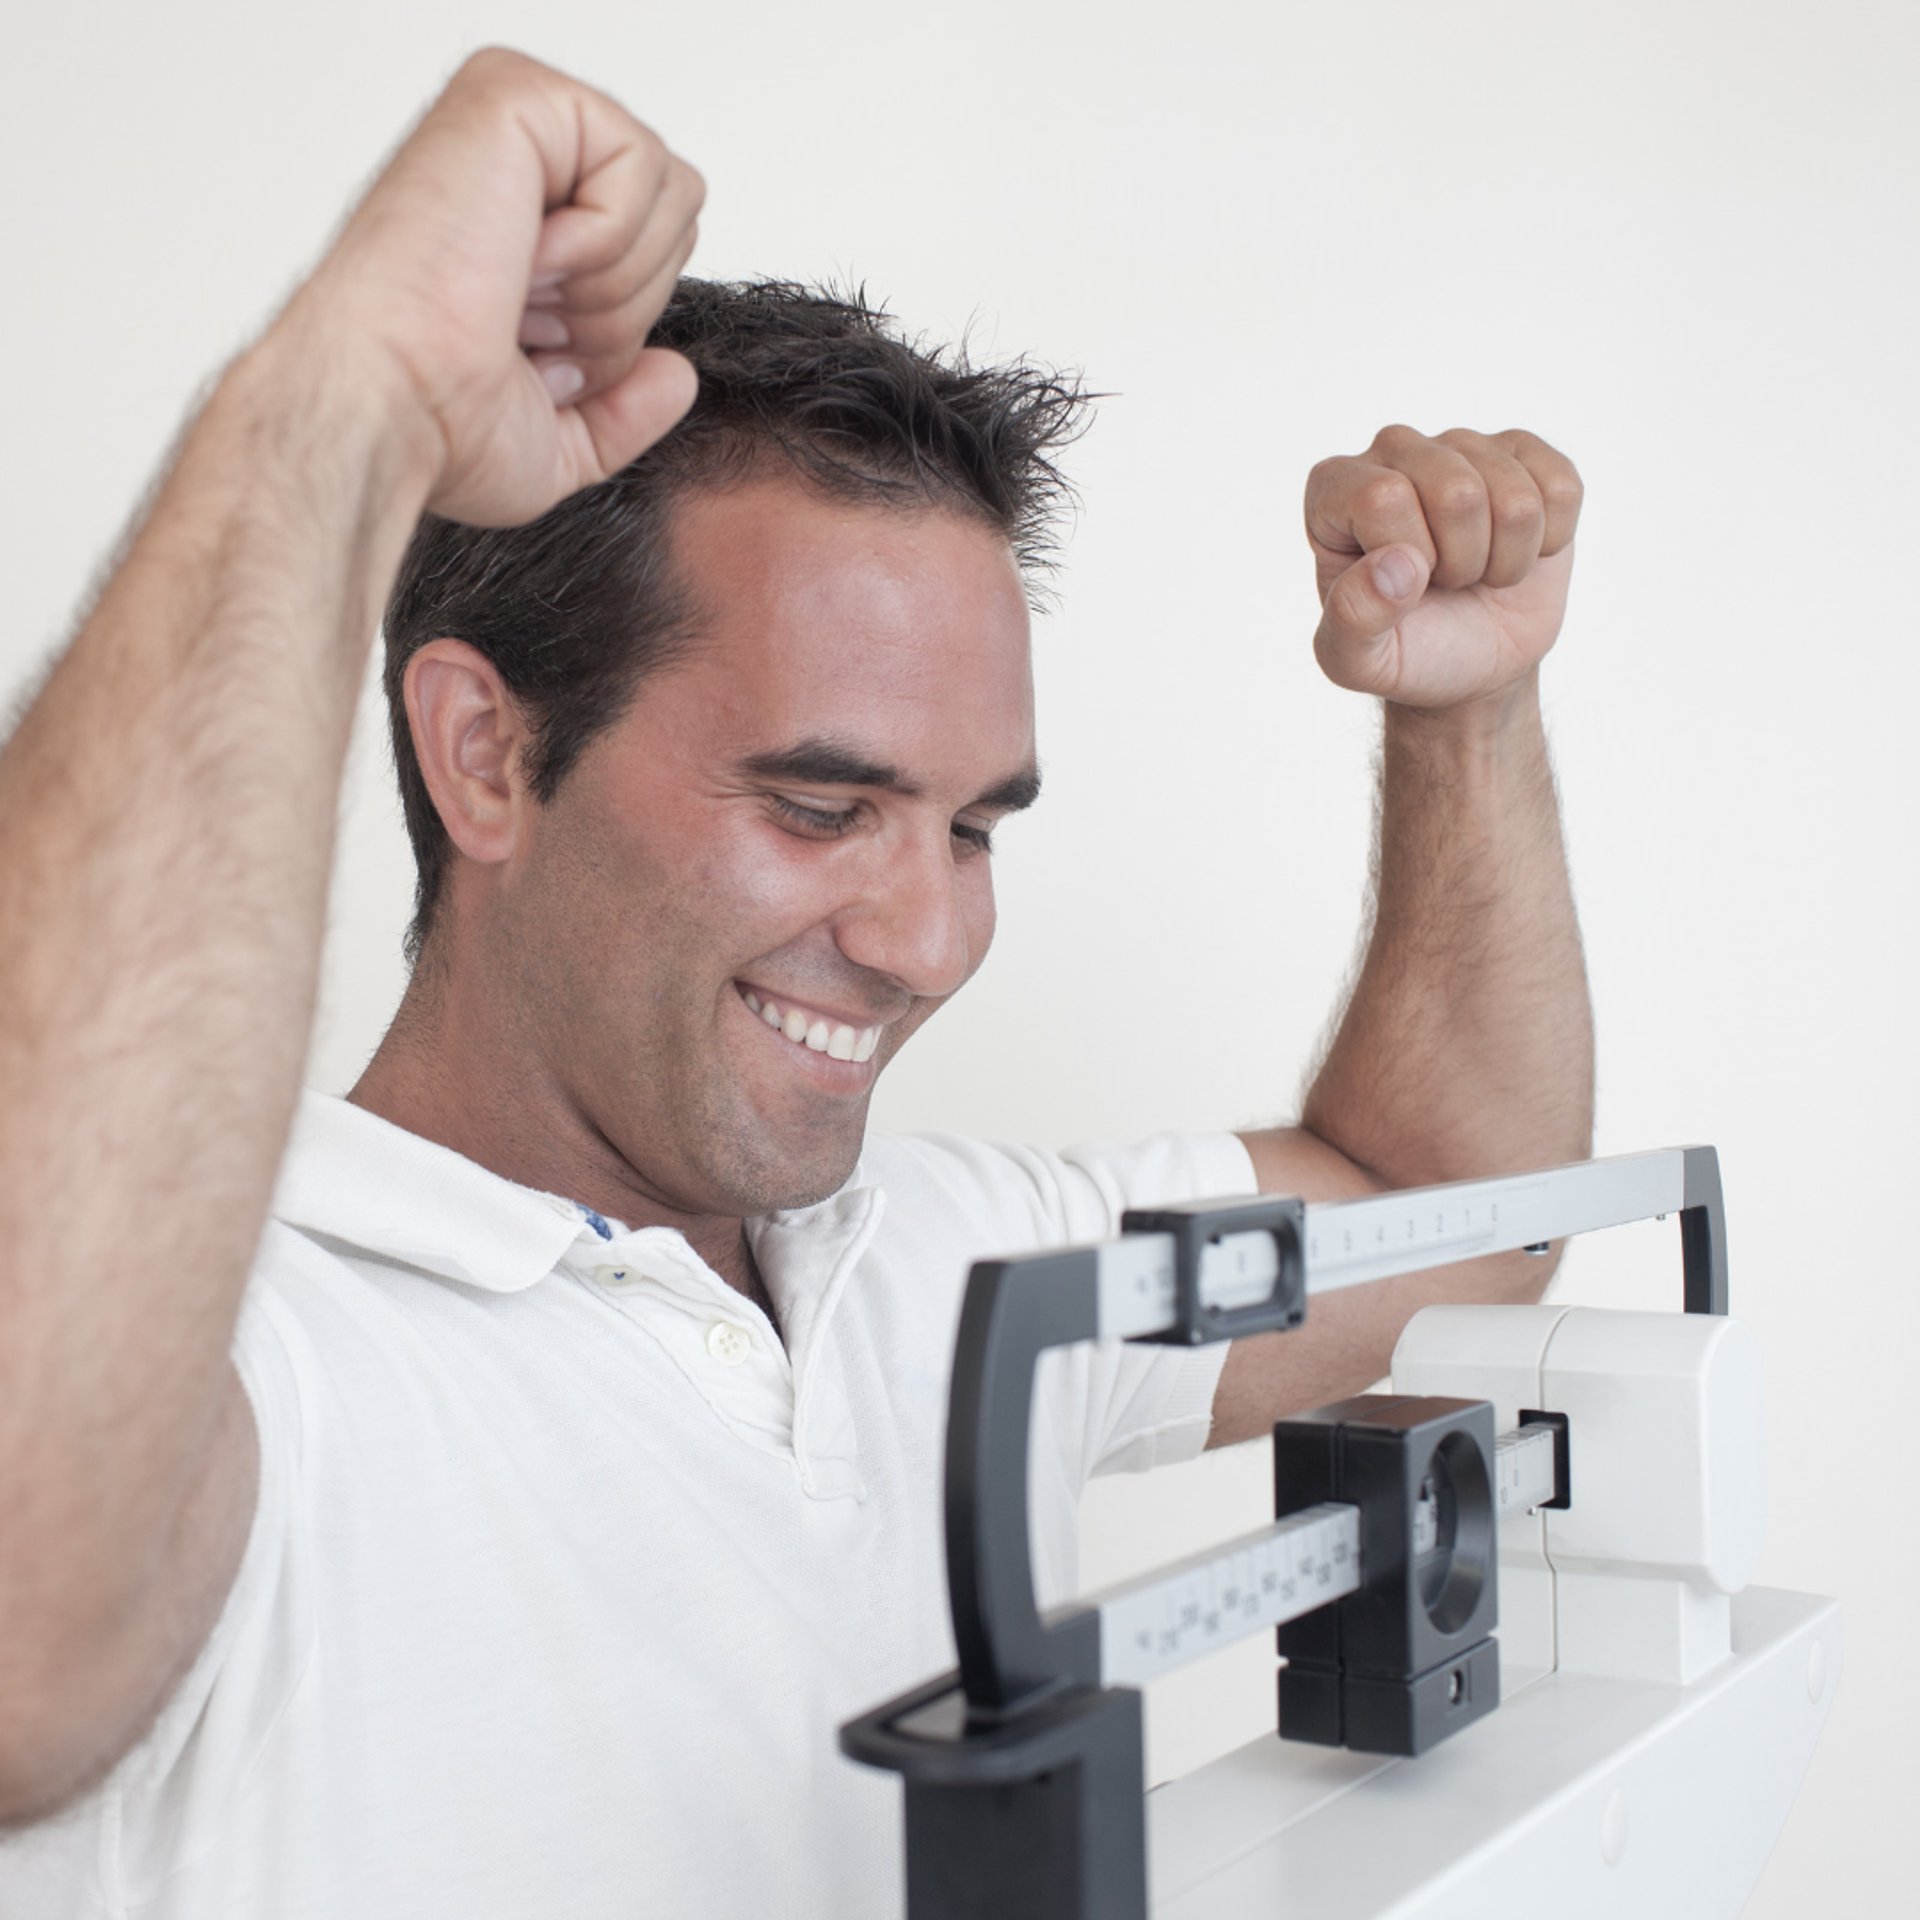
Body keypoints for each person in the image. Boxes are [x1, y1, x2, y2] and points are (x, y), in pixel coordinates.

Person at [0, 46, 1591, 1920]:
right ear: (486, 757)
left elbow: (1453, 1216)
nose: (926, 944)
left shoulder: (965, 1269)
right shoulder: (258, 1363)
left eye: (971, 828)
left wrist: (1467, 710)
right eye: (822, 808)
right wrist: (330, 408)